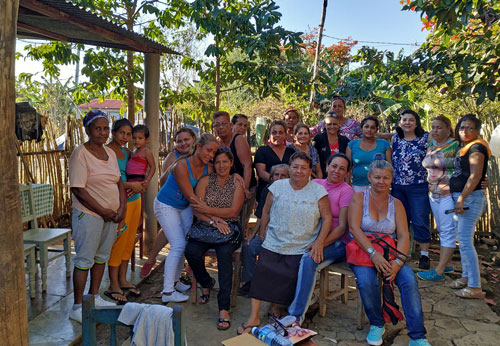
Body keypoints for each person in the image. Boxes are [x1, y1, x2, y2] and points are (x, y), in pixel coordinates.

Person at [237, 151, 332, 334]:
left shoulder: (318, 191)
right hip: (274, 240)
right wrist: (263, 232)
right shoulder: (278, 187)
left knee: (288, 279)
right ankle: (253, 317)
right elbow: (265, 210)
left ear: (310, 170)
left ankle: (277, 309)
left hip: (301, 244)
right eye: (295, 167)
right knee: (262, 276)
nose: (299, 171)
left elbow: (327, 218)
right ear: (290, 168)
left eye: (304, 168)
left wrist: (320, 241)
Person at [348, 160, 430, 346]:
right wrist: (372, 253)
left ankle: (418, 336)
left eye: (386, 177)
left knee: (408, 281)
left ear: (392, 179)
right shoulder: (359, 198)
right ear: (369, 177)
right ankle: (377, 324)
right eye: (377, 177)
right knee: (366, 281)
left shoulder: (397, 204)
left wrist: (398, 264)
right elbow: (354, 228)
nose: (381, 181)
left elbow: (403, 236)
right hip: (363, 250)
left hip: (390, 252)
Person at [68, 110, 127, 323]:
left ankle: (93, 297)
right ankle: (77, 306)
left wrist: (122, 209)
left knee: (101, 257)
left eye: (105, 128)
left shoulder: (109, 153)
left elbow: (118, 182)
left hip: (111, 216)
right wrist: (104, 212)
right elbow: (78, 189)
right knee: (85, 259)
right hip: (90, 215)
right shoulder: (80, 154)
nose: (102, 133)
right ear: (87, 130)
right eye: (97, 128)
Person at [286, 153, 354, 324]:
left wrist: (319, 244)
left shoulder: (346, 191)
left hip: (338, 242)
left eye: (342, 168)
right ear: (326, 166)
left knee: (309, 260)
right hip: (314, 235)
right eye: (334, 166)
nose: (337, 171)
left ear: (346, 173)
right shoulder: (315, 184)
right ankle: (294, 298)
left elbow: (342, 227)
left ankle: (296, 316)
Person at [184, 148, 245, 330]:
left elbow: (233, 212)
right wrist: (213, 219)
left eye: (225, 162)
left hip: (230, 227)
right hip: (205, 225)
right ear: (213, 164)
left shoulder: (236, 183)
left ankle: (224, 307)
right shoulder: (204, 181)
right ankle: (206, 282)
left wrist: (210, 211)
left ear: (231, 163)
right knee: (191, 251)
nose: (221, 166)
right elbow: (196, 209)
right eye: (217, 162)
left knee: (225, 255)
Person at [155, 133, 218, 303]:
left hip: (184, 207)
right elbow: (191, 196)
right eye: (208, 151)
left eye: (214, 153)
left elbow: (222, 177)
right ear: (198, 147)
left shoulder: (208, 168)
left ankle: (174, 282)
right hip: (166, 204)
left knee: (186, 243)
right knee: (178, 244)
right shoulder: (181, 166)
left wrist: (237, 178)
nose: (211, 155)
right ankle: (167, 292)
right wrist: (211, 216)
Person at [140, 127, 197, 278]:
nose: (183, 144)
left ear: (194, 139)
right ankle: (153, 260)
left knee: (183, 236)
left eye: (186, 140)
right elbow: (162, 180)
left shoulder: (199, 154)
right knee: (174, 237)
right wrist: (178, 164)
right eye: (179, 141)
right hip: (170, 201)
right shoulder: (173, 156)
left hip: (188, 203)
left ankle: (180, 273)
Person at [449, 114, 491, 299]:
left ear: (477, 130)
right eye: (461, 127)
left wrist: (462, 198)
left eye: (469, 128)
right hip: (464, 197)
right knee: (463, 239)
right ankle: (466, 277)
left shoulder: (477, 147)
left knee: (465, 241)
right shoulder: (465, 147)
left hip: (469, 198)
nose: (464, 131)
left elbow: (474, 176)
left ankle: (475, 286)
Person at [105, 119, 146, 303]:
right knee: (118, 242)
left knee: (129, 242)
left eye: (128, 134)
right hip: (119, 202)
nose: (125, 137)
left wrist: (141, 185)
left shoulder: (128, 152)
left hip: (135, 201)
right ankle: (112, 284)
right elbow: (106, 180)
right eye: (122, 133)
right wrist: (130, 184)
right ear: (113, 132)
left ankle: (122, 279)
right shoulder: (107, 152)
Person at [417, 116, 458, 281]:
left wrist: (432, 161)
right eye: (433, 127)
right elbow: (427, 162)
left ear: (448, 128)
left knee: (447, 230)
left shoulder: (456, 144)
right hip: (433, 192)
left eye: (439, 127)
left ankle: (439, 271)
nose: (435, 130)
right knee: (442, 228)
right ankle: (447, 264)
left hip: (449, 192)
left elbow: (462, 163)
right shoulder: (432, 145)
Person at [239, 164, 290, 296]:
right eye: (276, 175)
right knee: (249, 246)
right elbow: (261, 216)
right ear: (271, 177)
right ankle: (250, 282)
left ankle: (272, 285)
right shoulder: (268, 189)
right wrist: (255, 234)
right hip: (267, 232)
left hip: (285, 235)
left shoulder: (292, 192)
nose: (279, 178)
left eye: (283, 175)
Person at [391, 109, 431, 270]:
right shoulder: (396, 138)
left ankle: (424, 255)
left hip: (418, 185)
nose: (407, 122)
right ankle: (401, 253)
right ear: (400, 122)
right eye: (404, 120)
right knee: (401, 221)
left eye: (411, 120)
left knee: (420, 219)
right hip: (398, 186)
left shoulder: (425, 138)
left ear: (416, 122)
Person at [213, 111, 256, 225]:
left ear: (230, 125)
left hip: (244, 186)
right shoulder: (217, 142)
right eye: (217, 125)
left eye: (224, 124)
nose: (221, 127)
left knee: (240, 222)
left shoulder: (238, 140)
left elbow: (247, 165)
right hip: (228, 188)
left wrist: (245, 189)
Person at [346, 116, 392, 192]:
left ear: (376, 130)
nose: (369, 130)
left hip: (380, 186)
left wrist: (389, 186)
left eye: (372, 127)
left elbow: (390, 168)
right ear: (361, 128)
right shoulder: (352, 145)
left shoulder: (384, 144)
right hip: (358, 186)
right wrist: (347, 187)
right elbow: (348, 168)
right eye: (366, 127)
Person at [254, 120, 296, 203]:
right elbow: (261, 172)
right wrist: (278, 182)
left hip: (288, 193)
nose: (277, 135)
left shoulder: (291, 152)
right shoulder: (262, 151)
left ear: (285, 135)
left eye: (281, 132)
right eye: (274, 132)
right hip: (267, 191)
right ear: (269, 134)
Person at [313, 112, 350, 178]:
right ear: (325, 124)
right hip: (323, 178)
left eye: (335, 124)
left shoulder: (344, 140)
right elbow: (314, 159)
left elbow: (347, 163)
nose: (332, 127)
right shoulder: (318, 139)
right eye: (329, 124)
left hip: (339, 178)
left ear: (339, 124)